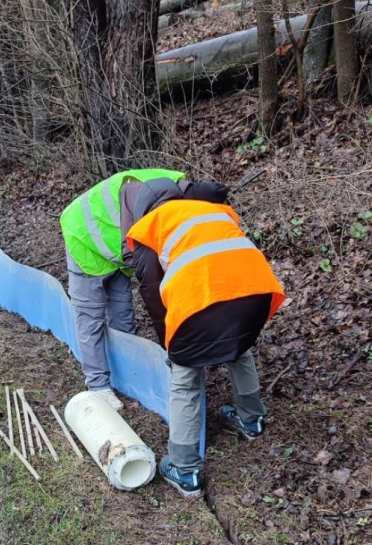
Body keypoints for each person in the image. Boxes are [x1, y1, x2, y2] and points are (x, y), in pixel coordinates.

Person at [126, 178, 285, 498]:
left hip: (202, 303)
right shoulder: (211, 210)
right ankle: (251, 419)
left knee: (185, 376)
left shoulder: (150, 226)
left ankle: (185, 471)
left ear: (144, 208)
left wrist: (170, 343)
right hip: (255, 295)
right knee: (239, 348)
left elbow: (152, 291)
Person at [59, 169, 228, 409]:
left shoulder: (175, 188)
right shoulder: (146, 207)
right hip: (85, 238)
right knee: (91, 318)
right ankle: (98, 386)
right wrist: (169, 345)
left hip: (113, 239)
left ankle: (127, 376)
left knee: (123, 313)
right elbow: (151, 285)